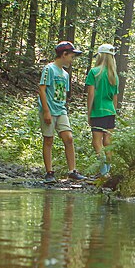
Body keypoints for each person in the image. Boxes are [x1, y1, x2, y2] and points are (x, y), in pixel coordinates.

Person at [38, 41, 87, 183]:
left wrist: (63, 108)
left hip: (61, 110)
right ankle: (49, 172)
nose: (72, 60)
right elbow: (42, 89)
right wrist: (46, 111)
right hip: (48, 109)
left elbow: (63, 94)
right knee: (48, 139)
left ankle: (72, 171)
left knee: (69, 138)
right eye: (71, 56)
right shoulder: (49, 69)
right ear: (64, 54)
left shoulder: (65, 75)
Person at [85, 44, 119, 177]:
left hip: (98, 110)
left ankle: (104, 172)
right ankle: (108, 170)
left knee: (96, 142)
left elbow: (91, 94)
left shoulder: (94, 72)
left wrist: (89, 112)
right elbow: (115, 98)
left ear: (100, 56)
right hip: (110, 111)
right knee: (108, 142)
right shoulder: (114, 76)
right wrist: (114, 112)